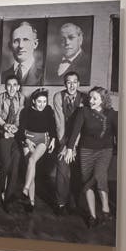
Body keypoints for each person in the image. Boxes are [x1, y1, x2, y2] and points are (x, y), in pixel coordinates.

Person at [64, 87, 117, 227]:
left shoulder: (111, 114)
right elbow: (75, 131)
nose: (91, 101)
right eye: (90, 98)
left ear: (103, 100)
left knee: (99, 176)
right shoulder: (83, 111)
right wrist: (69, 148)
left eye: (95, 98)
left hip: (105, 150)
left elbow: (119, 133)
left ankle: (105, 209)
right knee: (87, 179)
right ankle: (92, 216)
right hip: (86, 150)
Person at [18, 88, 58, 212]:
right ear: (34, 101)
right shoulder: (26, 111)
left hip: (42, 139)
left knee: (32, 160)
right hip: (28, 139)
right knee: (31, 169)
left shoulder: (48, 110)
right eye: (39, 101)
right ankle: (31, 202)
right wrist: (27, 141)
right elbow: (21, 130)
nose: (42, 104)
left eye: (44, 101)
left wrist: (53, 139)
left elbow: (52, 126)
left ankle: (25, 189)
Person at [52, 70, 86, 214]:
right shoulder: (58, 96)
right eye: (68, 82)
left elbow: (81, 125)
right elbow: (60, 122)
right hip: (63, 137)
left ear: (78, 84)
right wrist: (64, 146)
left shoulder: (84, 98)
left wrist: (73, 146)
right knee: (62, 168)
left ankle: (75, 201)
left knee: (78, 171)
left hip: (81, 139)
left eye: (74, 82)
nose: (72, 85)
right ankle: (61, 203)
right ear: (65, 84)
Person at [0, 73, 25, 208]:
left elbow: (20, 116)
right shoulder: (0, 98)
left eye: (14, 85)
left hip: (15, 135)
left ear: (18, 87)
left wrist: (15, 127)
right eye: (9, 85)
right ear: (5, 86)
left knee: (15, 164)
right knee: (6, 164)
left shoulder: (22, 98)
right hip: (2, 133)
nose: (12, 88)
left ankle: (8, 196)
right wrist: (5, 126)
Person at [7, 20, 43, 86]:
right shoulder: (3, 76)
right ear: (10, 45)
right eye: (16, 41)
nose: (21, 45)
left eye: (26, 40)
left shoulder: (43, 75)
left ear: (35, 44)